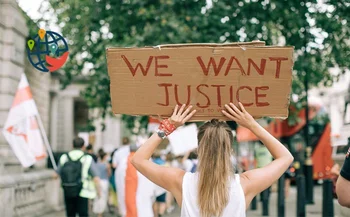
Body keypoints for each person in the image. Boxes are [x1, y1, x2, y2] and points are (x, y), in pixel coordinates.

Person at [131, 103, 293, 217]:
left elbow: (138, 159)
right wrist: (252, 125)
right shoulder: (245, 184)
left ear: (199, 148)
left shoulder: (180, 182)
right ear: (229, 149)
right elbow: (285, 157)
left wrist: (168, 126)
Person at [56, 137, 101, 217]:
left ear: (72, 145)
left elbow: (55, 174)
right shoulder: (87, 158)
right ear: (83, 146)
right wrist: (99, 191)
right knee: (83, 214)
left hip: (68, 189)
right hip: (83, 191)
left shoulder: (64, 157)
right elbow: (96, 178)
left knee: (70, 214)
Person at [116, 143, 158, 217]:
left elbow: (118, 181)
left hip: (128, 195)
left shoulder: (123, 162)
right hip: (144, 196)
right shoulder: (145, 160)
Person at [93, 149, 111, 217]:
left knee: (98, 196)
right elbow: (109, 174)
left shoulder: (96, 164)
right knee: (103, 197)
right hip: (104, 181)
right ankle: (100, 212)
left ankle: (98, 211)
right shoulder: (106, 165)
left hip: (97, 181)